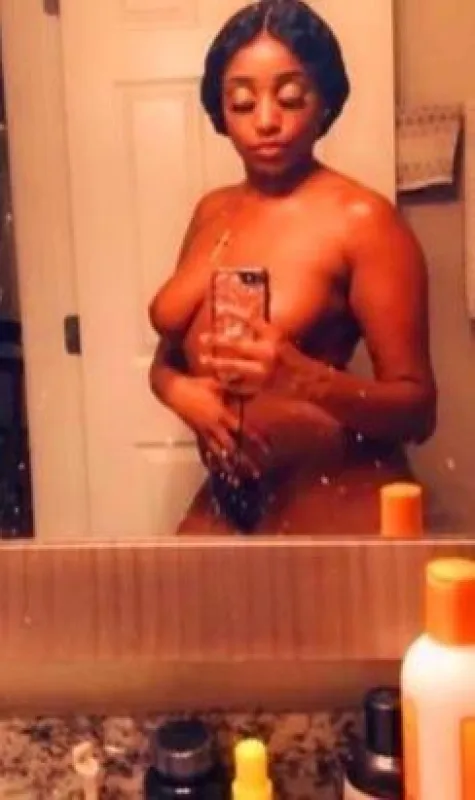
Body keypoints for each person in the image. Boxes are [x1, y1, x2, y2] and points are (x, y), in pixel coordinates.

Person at [148, 0, 437, 536]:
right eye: (242, 101)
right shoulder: (212, 212)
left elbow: (418, 412)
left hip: (335, 503)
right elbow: (169, 356)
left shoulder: (364, 221)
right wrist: (177, 392)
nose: (266, 120)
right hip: (231, 502)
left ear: (324, 102)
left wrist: (299, 375)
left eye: (290, 98)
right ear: (220, 110)